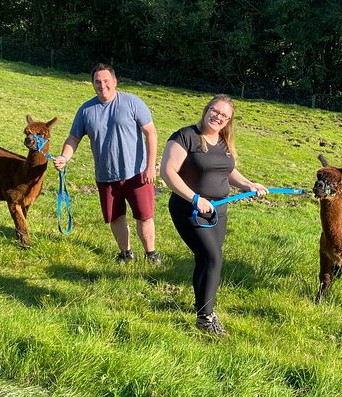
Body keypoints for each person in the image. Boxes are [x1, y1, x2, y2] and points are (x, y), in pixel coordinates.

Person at [160, 94, 268, 335]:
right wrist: (196, 199)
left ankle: (201, 308)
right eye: (215, 111)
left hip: (218, 210)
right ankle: (206, 318)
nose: (218, 117)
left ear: (229, 120)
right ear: (206, 109)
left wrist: (248, 184)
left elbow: (229, 172)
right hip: (189, 209)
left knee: (206, 259)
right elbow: (168, 172)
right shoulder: (185, 136)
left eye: (224, 115)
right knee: (213, 258)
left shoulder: (222, 141)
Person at [53, 63, 160, 264]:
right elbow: (74, 138)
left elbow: (151, 132)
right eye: (98, 82)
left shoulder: (132, 102)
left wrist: (150, 166)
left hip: (137, 173)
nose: (102, 86)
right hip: (106, 175)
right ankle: (125, 253)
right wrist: (64, 157)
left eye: (106, 81)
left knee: (144, 216)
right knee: (115, 217)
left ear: (114, 81)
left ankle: (151, 254)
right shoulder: (86, 110)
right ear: (92, 84)